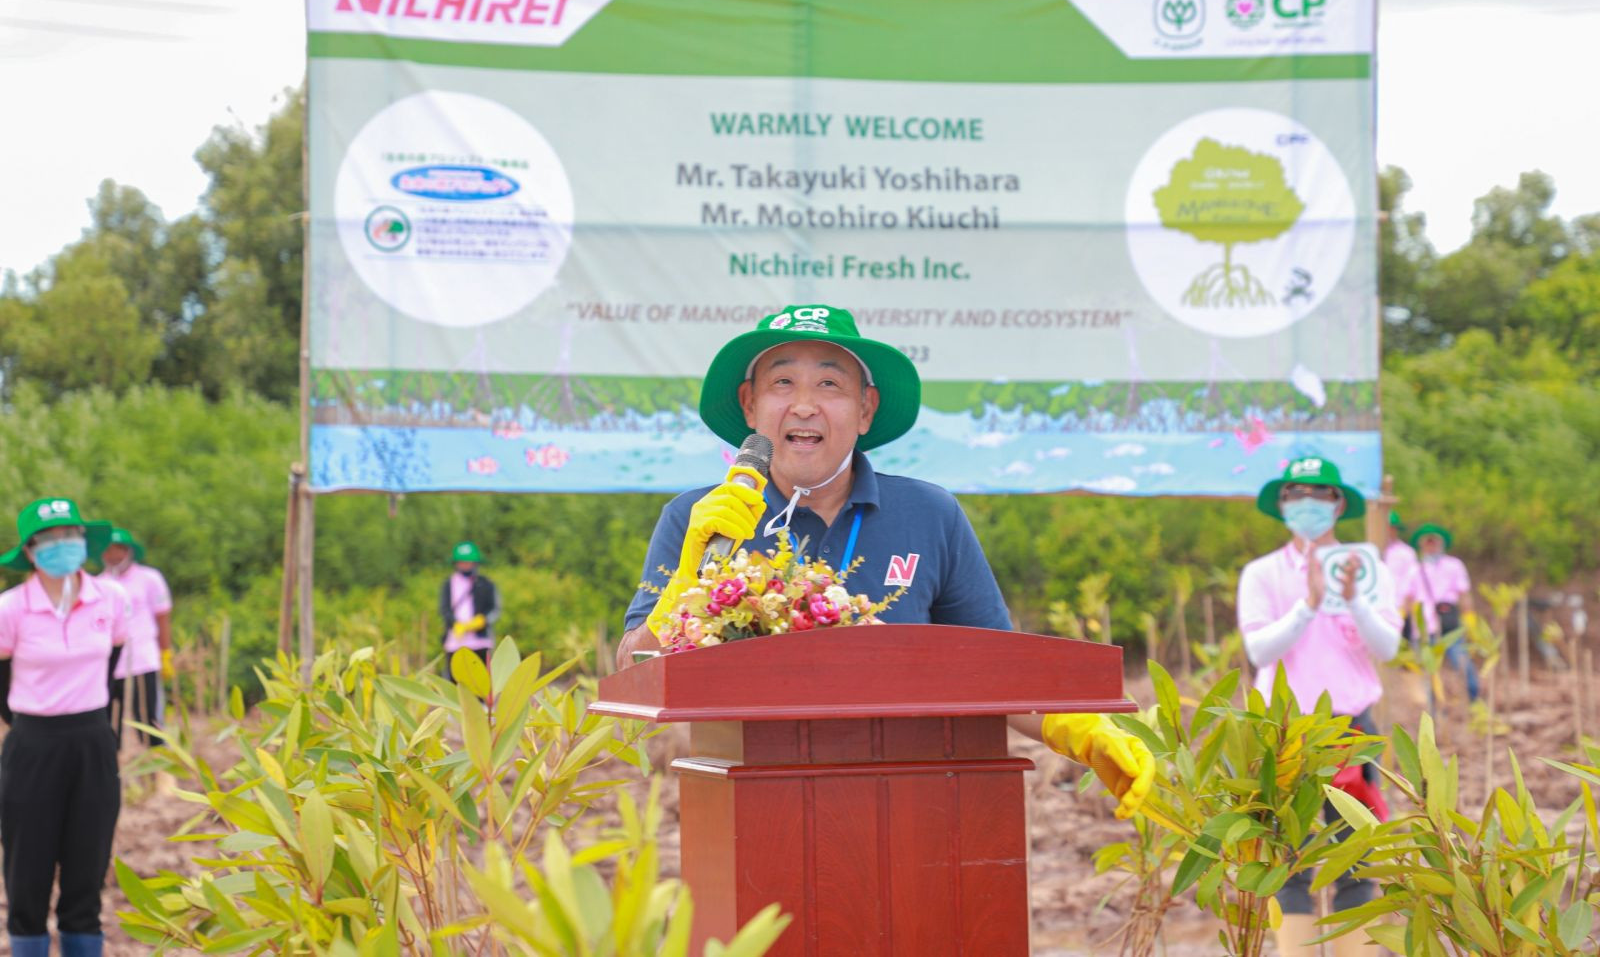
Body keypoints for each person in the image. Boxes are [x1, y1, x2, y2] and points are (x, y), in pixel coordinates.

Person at [616, 303, 1152, 819]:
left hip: (912, 809)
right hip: (752, 812)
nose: (804, 405)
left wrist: (1079, 728)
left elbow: (996, 676)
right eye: (782, 383)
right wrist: (688, 576)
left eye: (829, 384)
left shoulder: (930, 513)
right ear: (749, 405)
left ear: (866, 409)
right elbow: (632, 673)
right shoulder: (697, 518)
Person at [1237, 458, 1401, 956]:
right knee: (1288, 859)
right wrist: (1307, 604)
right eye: (1295, 493)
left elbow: (1388, 646)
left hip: (1350, 730)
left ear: (1339, 504)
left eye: (1320, 493)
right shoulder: (1262, 573)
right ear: (1282, 505)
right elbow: (1260, 650)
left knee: (1357, 857)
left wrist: (1353, 599)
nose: (1306, 503)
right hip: (1285, 731)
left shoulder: (1368, 569)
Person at [0, 497, 128, 957]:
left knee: (85, 879)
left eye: (70, 536)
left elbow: (111, 663)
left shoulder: (111, 598)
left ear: (84, 542)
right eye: (50, 539)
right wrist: (30, 722)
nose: (62, 546)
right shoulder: (10, 608)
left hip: (93, 743)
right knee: (27, 880)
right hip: (32, 746)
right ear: (31, 551)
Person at [101, 526, 173, 747]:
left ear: (129, 551)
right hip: (110, 666)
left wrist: (166, 654)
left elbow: (162, 618)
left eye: (119, 550)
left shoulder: (150, 578)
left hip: (143, 662)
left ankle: (161, 777)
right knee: (109, 730)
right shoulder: (98, 584)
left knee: (151, 726)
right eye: (109, 551)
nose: (114, 556)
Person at [1406, 522, 1479, 704]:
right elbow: (1407, 598)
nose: (1431, 545)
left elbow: (1464, 594)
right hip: (1423, 630)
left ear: (1441, 543)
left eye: (1434, 541)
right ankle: (1433, 712)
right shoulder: (1414, 569)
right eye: (1427, 541)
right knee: (1427, 674)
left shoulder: (1454, 565)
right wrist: (1404, 624)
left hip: (1450, 625)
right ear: (1421, 545)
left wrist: (1469, 619)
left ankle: (1473, 702)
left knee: (1463, 666)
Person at [441, 541, 499, 676]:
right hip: (456, 641)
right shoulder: (448, 584)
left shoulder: (486, 584)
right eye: (462, 562)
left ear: (475, 563)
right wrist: (455, 623)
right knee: (456, 682)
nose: (465, 565)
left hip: (480, 641)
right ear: (456, 563)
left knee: (482, 683)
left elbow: (494, 609)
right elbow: (444, 610)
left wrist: (482, 621)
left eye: (468, 562)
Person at [1383, 510, 1420, 643]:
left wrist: (1405, 608)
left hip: (1400, 608)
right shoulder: (1370, 551)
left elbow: (1412, 582)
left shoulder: (1406, 553)